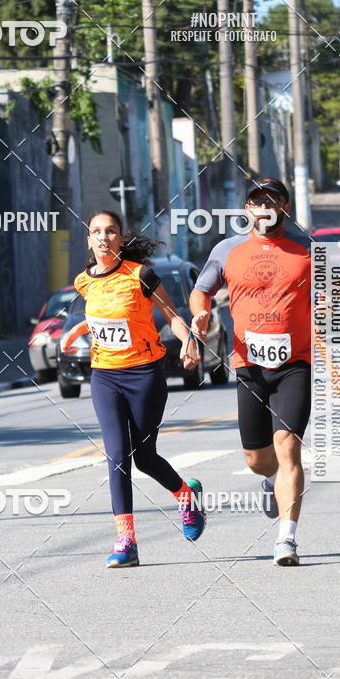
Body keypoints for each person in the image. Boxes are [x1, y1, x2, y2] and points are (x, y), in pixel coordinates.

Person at [61, 210, 206, 569]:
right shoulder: (83, 282)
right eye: (96, 231)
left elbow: (172, 316)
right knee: (116, 457)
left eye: (110, 231)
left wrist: (189, 342)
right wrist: (78, 331)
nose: (103, 237)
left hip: (144, 374)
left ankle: (186, 496)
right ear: (89, 240)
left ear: (120, 239)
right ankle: (126, 541)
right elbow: (102, 318)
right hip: (105, 376)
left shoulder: (140, 275)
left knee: (145, 457)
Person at [189, 177, 311, 566]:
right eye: (257, 200)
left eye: (272, 200)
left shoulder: (308, 250)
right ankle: (270, 481)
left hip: (295, 364)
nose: (264, 206)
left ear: (284, 209)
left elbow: (331, 291)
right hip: (249, 366)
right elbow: (201, 289)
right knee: (257, 459)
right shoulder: (227, 250)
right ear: (247, 210)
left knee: (288, 446)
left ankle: (286, 540)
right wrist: (201, 312)